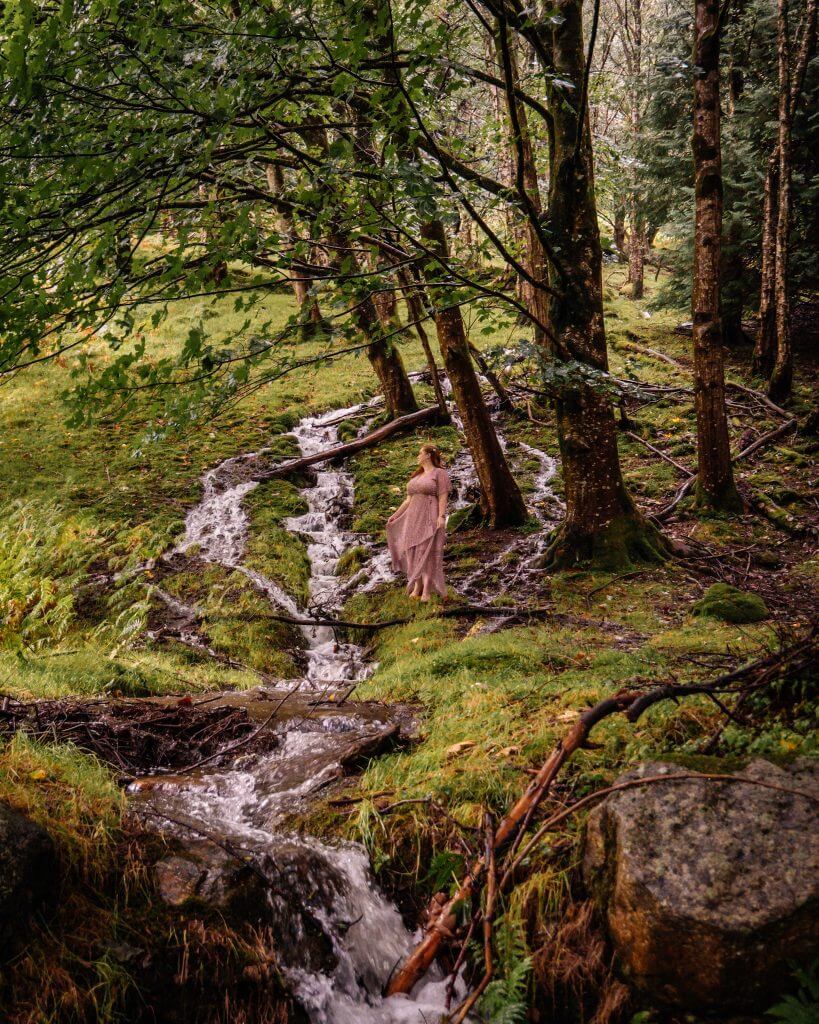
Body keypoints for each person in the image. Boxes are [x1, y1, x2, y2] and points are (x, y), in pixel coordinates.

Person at [386, 444, 450, 601]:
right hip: (412, 517)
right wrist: (395, 515)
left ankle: (427, 590)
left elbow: (442, 496)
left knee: (426, 551)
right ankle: (417, 585)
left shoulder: (439, 473)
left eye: (420, 453)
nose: (417, 456)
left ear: (428, 455)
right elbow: (408, 500)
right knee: (412, 550)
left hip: (429, 515)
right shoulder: (416, 476)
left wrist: (441, 516)